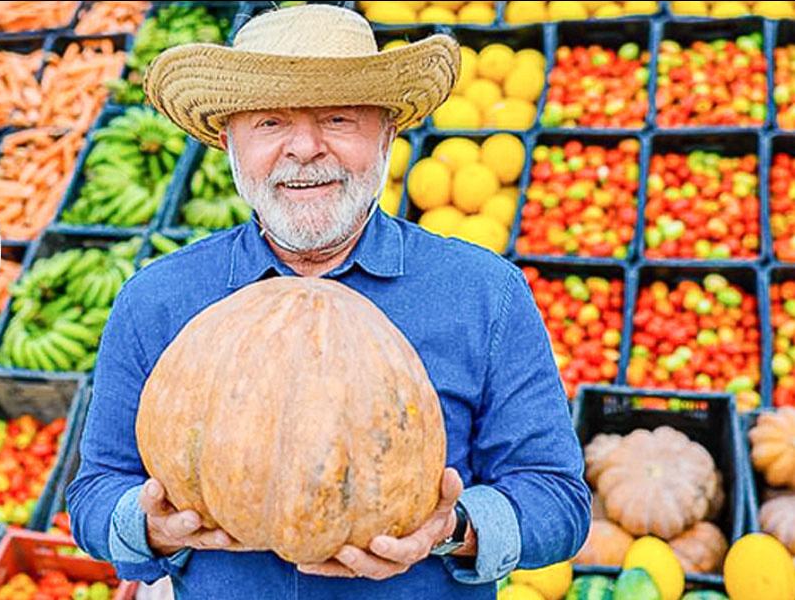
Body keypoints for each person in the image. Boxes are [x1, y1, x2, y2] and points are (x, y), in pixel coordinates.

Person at [65, 5, 591, 599]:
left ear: (387, 133)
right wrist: (148, 528)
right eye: (269, 122)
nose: (306, 147)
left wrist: (455, 529)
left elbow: (560, 501)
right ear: (229, 143)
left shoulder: (483, 292)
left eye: (338, 118)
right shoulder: (156, 299)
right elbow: (95, 492)